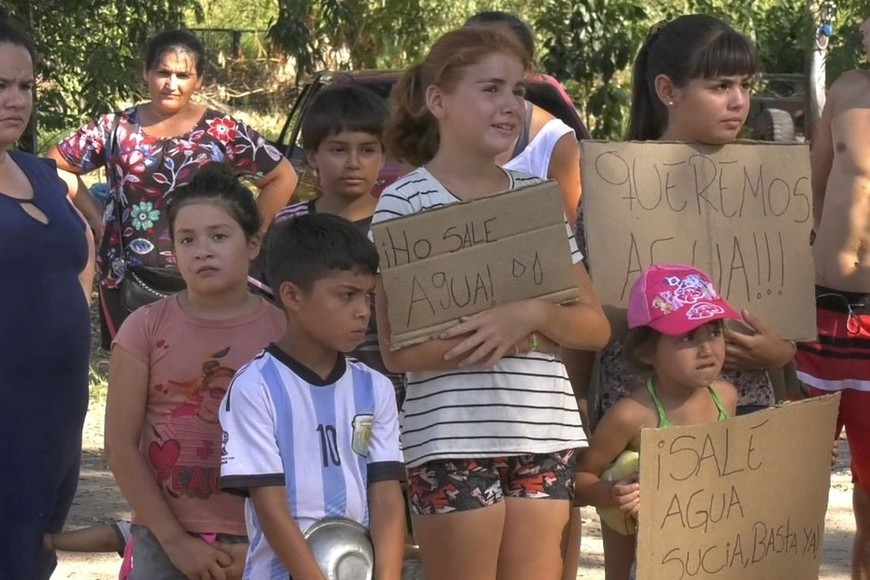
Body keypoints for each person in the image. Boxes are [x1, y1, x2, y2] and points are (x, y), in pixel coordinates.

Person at [373, 25, 611, 580]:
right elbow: (399, 351)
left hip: (544, 435)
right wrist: (519, 333)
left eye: (518, 91)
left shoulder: (536, 200)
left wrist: (528, 316)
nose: (510, 105)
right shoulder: (402, 204)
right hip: (450, 438)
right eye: (491, 88)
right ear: (439, 101)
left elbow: (594, 327)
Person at [570, 15, 798, 579]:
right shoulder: (611, 190)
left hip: (744, 409)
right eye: (720, 85)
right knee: (644, 561)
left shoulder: (768, 186)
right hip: (642, 412)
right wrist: (576, 405)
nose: (738, 101)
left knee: (742, 563)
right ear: (668, 90)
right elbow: (581, 311)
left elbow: (785, 311)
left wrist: (782, 355)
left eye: (746, 85)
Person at [48, 28, 297, 349]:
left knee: (206, 371)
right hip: (128, 279)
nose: (172, 83)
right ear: (145, 73)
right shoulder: (114, 128)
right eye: (163, 72)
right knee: (137, 373)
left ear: (200, 81)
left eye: (183, 74)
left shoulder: (223, 131)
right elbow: (52, 167)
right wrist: (96, 217)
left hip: (210, 273)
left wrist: (250, 236)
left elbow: (282, 177)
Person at [104, 163, 286, 579]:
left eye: (219, 236)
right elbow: (119, 445)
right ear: (174, 251)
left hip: (267, 538)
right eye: (188, 239)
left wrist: (272, 541)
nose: (202, 250)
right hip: (163, 536)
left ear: (254, 243)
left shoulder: (285, 330)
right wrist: (175, 542)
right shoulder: (144, 328)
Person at [219, 213, 406, 579]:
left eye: (367, 296)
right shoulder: (255, 387)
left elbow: (386, 498)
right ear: (292, 295)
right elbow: (271, 509)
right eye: (346, 295)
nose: (363, 312)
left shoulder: (375, 387)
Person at [0, 18, 95, 580]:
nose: (15, 100)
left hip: (58, 405)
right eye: (0, 86)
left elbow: (78, 254)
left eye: (24, 87)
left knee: (35, 548)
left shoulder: (41, 173)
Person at [575, 264, 739, 574]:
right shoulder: (631, 415)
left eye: (715, 332)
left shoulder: (726, 398)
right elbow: (578, 481)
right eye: (688, 337)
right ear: (647, 352)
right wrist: (613, 493)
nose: (707, 349)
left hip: (707, 554)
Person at [264, 84, 406, 405]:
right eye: (339, 150)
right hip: (304, 396)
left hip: (389, 400)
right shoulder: (289, 225)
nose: (353, 162)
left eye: (367, 150)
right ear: (313, 154)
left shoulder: (401, 224)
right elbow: (272, 313)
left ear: (384, 156)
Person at [797, 14, 870, 578]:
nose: (866, 28)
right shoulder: (846, 89)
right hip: (816, 311)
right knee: (792, 479)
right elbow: (811, 188)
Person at [464, 11, 581, 227]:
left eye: (504, 56)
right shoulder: (434, 126)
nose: (491, 64)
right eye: (477, 55)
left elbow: (575, 237)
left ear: (526, 68)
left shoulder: (553, 140)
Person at [44, 521, 134, 579]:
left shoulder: (142, 532)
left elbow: (109, 538)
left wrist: (51, 541)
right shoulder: (141, 532)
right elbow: (109, 538)